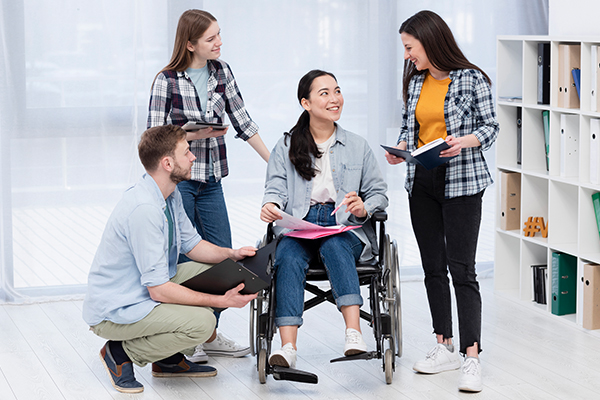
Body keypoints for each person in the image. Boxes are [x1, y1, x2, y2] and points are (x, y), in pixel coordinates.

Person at [82, 125, 258, 394]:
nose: (193, 158)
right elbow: (159, 289)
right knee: (203, 322)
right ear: (167, 163)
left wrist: (231, 255)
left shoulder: (169, 194)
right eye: (187, 152)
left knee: (220, 273)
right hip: (117, 308)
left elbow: (193, 244)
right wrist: (220, 302)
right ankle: (119, 352)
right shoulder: (145, 209)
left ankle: (168, 360)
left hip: (143, 289)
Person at [384, 10, 499, 393]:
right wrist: (400, 147)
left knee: (462, 269)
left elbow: (491, 126)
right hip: (423, 180)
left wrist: (464, 142)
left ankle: (472, 356)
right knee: (433, 267)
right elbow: (408, 127)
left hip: (463, 181)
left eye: (409, 47)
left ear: (430, 42)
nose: (407, 55)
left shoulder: (471, 78)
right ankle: (443, 344)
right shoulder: (416, 81)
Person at [147, 9, 269, 361]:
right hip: (180, 183)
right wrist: (189, 134)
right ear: (190, 44)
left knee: (225, 258)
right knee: (187, 258)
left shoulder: (222, 72)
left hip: (212, 179)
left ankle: (208, 332)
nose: (219, 43)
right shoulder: (167, 81)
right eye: (211, 38)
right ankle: (192, 335)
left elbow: (243, 122)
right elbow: (154, 137)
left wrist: (276, 161)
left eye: (219, 35)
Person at [260, 70, 388, 369]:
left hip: (343, 223)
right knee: (288, 257)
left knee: (335, 246)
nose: (335, 99)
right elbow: (275, 187)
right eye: (325, 93)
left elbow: (379, 194)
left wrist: (362, 208)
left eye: (337, 91)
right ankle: (288, 347)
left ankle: (354, 333)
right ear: (306, 103)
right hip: (300, 224)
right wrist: (271, 204)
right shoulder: (287, 144)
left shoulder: (357, 145)